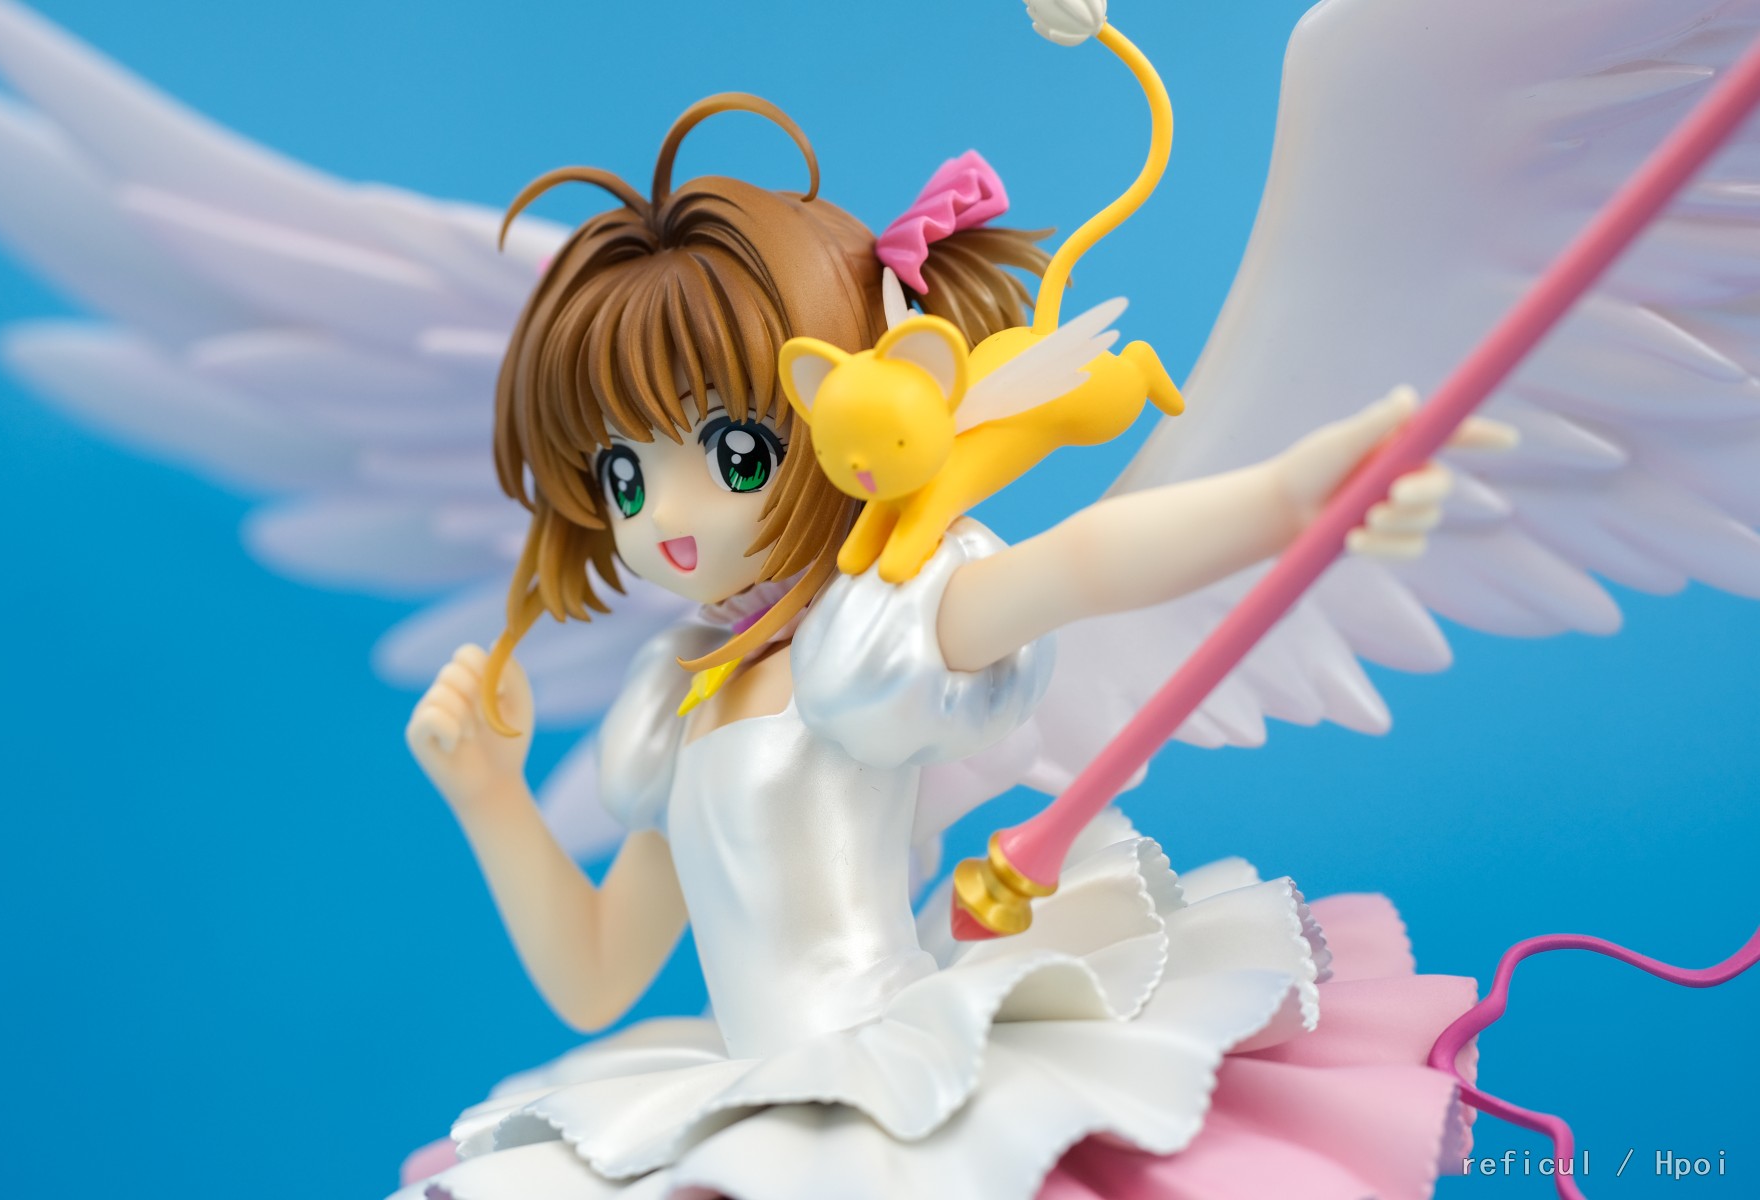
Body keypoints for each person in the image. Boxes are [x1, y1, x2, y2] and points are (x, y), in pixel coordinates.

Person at [397, 91, 1500, 1200]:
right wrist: (491, 797)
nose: (664, 517)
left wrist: (1290, 499)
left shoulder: (870, 635)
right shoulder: (671, 702)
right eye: (623, 475)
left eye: (735, 453)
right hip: (752, 1104)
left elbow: (1077, 564)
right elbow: (597, 976)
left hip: (894, 1082)